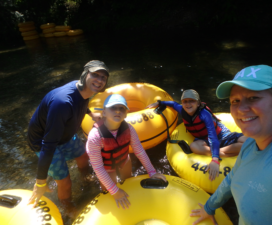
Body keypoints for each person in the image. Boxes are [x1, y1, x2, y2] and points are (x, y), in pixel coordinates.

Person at [190, 65, 272, 225]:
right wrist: (209, 208)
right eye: (235, 100)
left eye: (253, 98)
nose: (241, 109)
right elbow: (232, 178)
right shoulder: (250, 144)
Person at [27, 60, 109, 216]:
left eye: (103, 77)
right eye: (95, 75)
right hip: (44, 141)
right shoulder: (62, 102)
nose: (99, 80)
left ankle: (85, 178)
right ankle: (68, 207)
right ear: (85, 75)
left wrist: (91, 114)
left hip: (64, 134)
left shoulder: (84, 90)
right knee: (65, 182)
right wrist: (40, 182)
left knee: (83, 156)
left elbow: (82, 102)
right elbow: (48, 144)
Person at [86, 94, 167, 209]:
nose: (118, 111)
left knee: (128, 183)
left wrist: (152, 172)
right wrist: (115, 191)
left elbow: (139, 151)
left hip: (124, 160)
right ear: (104, 112)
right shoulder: (95, 136)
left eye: (122, 108)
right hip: (106, 168)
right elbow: (98, 167)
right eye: (113, 108)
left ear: (126, 113)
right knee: (109, 192)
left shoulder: (129, 129)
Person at [147, 90, 247, 181]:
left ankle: (221, 152)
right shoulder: (182, 109)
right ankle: (223, 153)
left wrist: (215, 160)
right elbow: (172, 104)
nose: (188, 104)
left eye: (192, 101)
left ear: (198, 103)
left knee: (249, 142)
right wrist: (159, 103)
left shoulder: (204, 114)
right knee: (194, 146)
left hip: (222, 135)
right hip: (204, 140)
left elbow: (213, 137)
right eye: (185, 101)